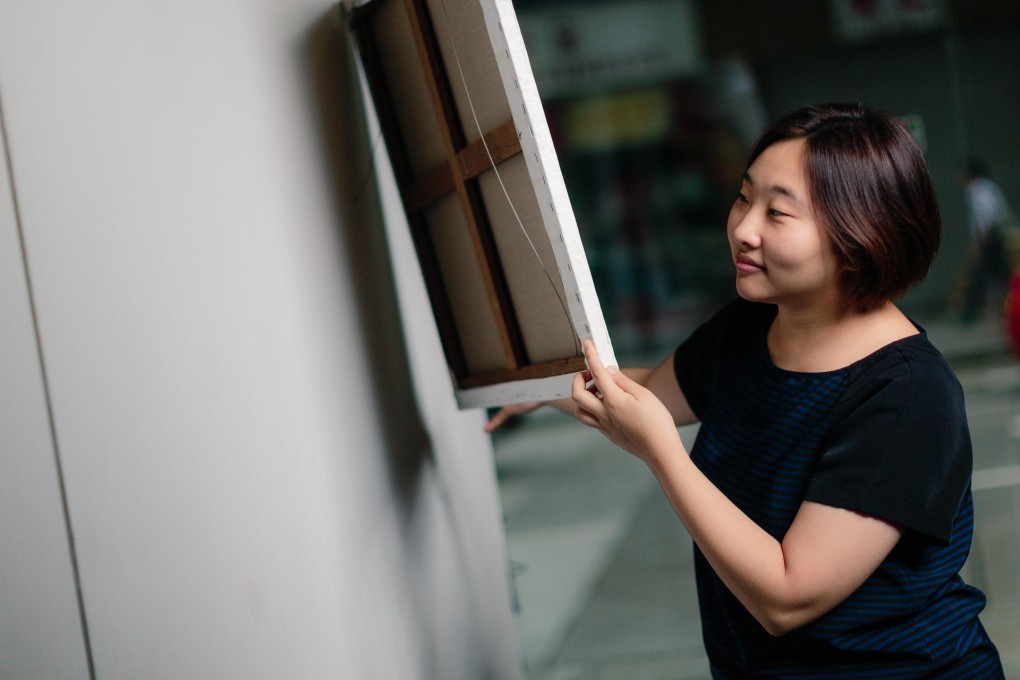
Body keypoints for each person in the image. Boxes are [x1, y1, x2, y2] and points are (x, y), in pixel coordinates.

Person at [487, 103, 1004, 678]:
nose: (743, 228)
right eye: (742, 197)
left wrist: (663, 454)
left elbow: (789, 596)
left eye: (777, 213)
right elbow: (649, 394)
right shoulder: (753, 324)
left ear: (861, 238)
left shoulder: (908, 397)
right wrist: (544, 384)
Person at [960, 157, 1015, 324]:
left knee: (980, 276)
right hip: (998, 236)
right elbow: (1002, 212)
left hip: (989, 240)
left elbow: (982, 219)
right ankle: (1000, 311)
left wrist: (978, 244)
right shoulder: (990, 187)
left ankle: (970, 315)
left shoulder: (975, 189)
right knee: (999, 276)